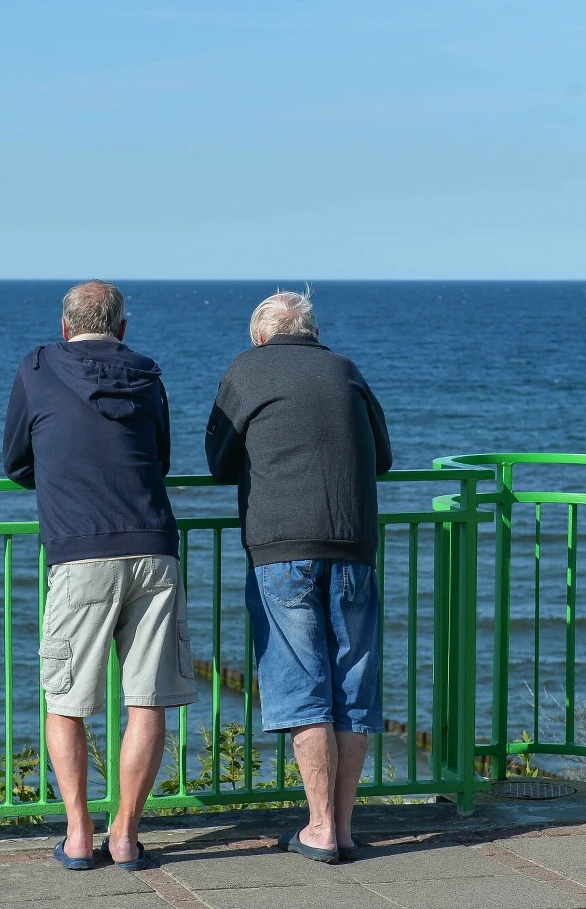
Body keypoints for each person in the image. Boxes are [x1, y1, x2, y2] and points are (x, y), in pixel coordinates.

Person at [3, 279, 196, 871]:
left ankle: (80, 835)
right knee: (148, 700)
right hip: (153, 548)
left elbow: (14, 463)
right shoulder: (147, 374)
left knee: (65, 700)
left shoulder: (37, 370)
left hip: (79, 553)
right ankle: (126, 835)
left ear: (65, 327)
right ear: (122, 327)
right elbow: (160, 459)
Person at [204, 289, 391, 864]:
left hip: (281, 546)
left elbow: (217, 459)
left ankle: (319, 826)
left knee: (302, 688)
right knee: (351, 690)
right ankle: (344, 826)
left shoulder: (247, 369)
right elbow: (381, 456)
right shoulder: (346, 370)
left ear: (260, 334)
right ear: (311, 331)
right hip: (354, 544)